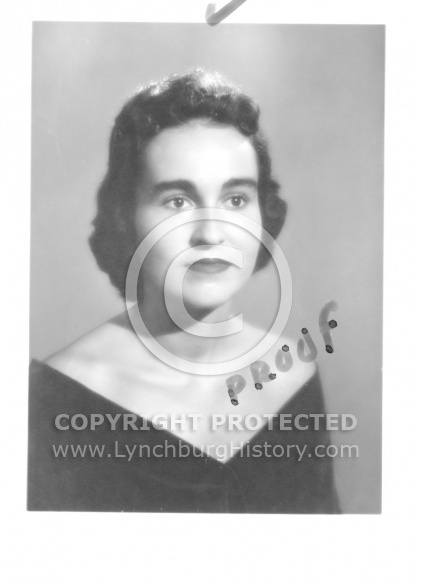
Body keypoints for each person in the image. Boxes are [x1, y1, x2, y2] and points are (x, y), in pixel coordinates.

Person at [28, 69, 340, 513]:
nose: (211, 233)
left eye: (235, 200)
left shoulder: (292, 375)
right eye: (178, 201)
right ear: (125, 217)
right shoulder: (53, 395)